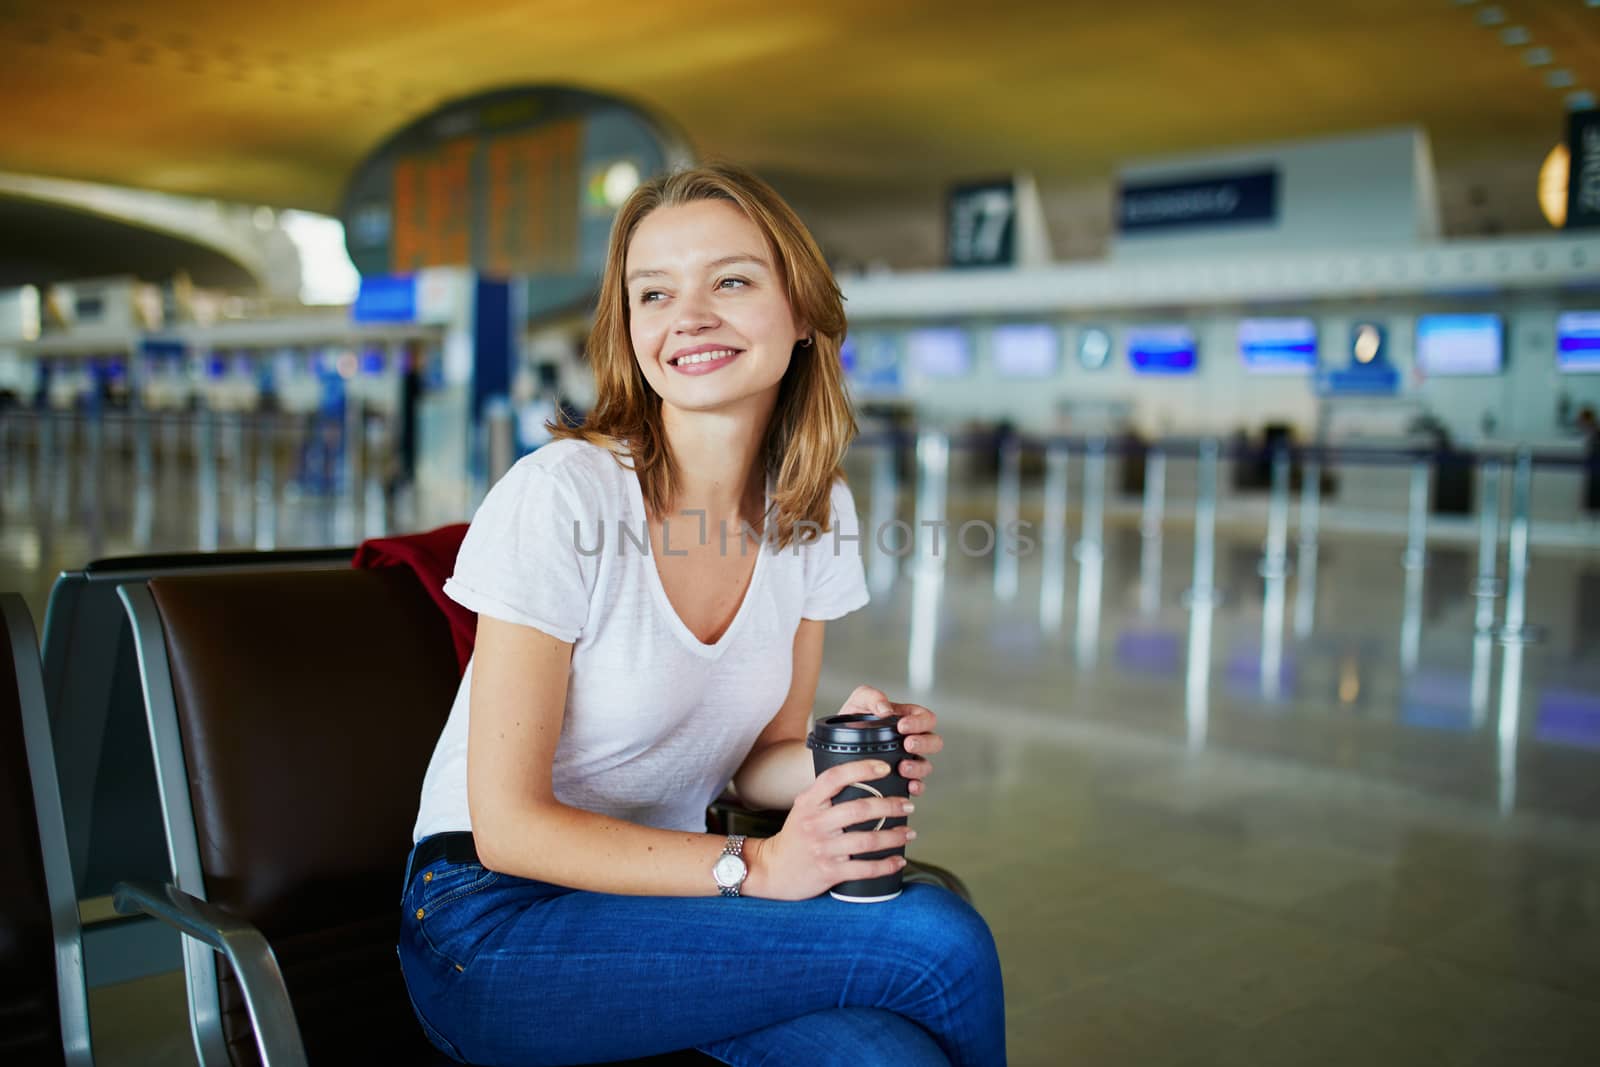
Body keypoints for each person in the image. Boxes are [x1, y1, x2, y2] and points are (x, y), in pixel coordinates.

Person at [398, 162, 1006, 1067]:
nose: (689, 315)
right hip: (488, 920)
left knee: (881, 1054)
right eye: (655, 293)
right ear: (632, 328)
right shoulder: (562, 497)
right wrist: (757, 869)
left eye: (730, 280)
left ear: (800, 312)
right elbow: (509, 826)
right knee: (937, 940)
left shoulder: (816, 511)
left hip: (663, 898)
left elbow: (757, 765)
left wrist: (850, 751)